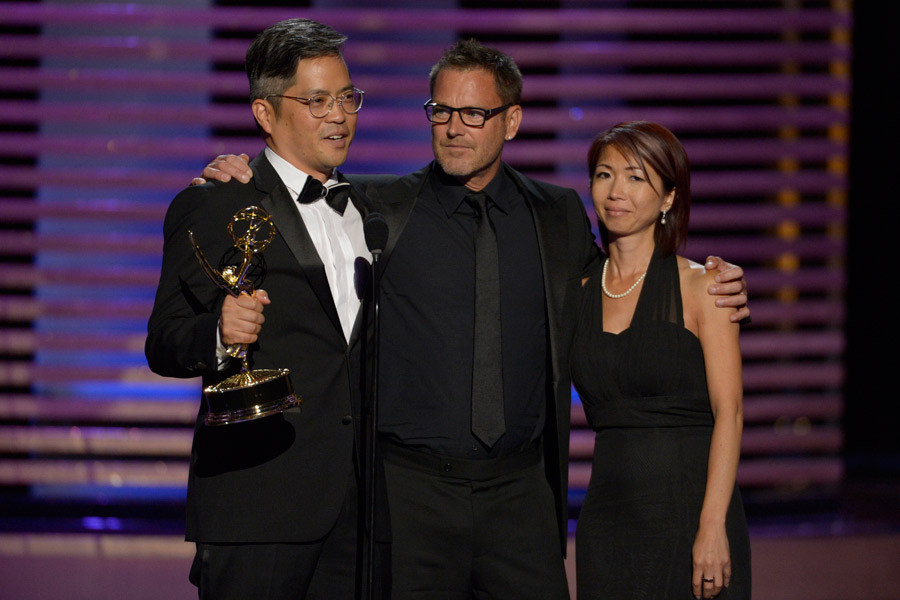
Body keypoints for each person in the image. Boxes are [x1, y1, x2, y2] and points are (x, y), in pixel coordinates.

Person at [201, 40, 750, 599]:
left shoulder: (556, 215)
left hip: (521, 497)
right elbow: (296, 217)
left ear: (511, 121)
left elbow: (618, 285)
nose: (453, 128)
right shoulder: (380, 209)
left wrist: (712, 282)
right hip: (409, 499)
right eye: (440, 111)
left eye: (473, 114)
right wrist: (242, 176)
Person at [145, 19, 387, 599]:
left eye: (348, 98)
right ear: (265, 113)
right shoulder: (214, 203)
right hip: (257, 505)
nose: (339, 116)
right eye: (318, 101)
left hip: (362, 513)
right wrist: (220, 335)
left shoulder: (374, 207)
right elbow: (165, 342)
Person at [571, 121, 751, 600]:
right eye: (604, 174)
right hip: (607, 522)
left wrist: (712, 527)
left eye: (636, 177)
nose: (616, 191)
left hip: (691, 513)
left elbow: (730, 413)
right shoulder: (578, 289)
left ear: (669, 197)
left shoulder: (704, 287)